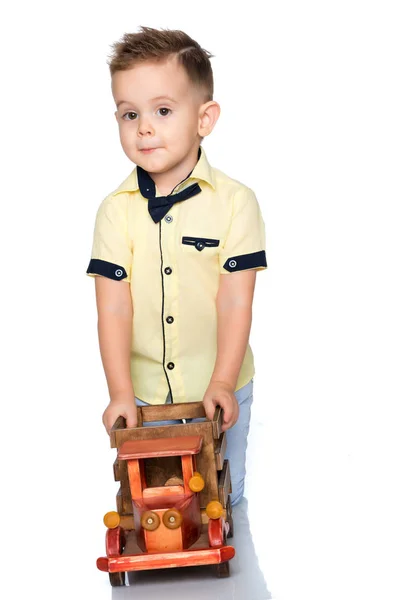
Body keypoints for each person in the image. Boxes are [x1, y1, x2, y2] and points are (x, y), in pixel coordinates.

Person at [86, 26, 267, 506]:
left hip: (219, 392)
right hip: (146, 401)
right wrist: (120, 392)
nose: (144, 127)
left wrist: (223, 382)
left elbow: (234, 298)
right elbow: (113, 309)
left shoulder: (234, 203)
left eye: (162, 111)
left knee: (221, 499)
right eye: (130, 114)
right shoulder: (114, 210)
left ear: (204, 118)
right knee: (158, 504)